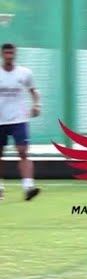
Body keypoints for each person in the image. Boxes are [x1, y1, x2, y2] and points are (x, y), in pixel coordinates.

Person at [0, 43, 41, 201]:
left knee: (23, 150)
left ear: (15, 54)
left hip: (19, 119)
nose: (9, 56)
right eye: (6, 53)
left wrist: (37, 104)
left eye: (11, 53)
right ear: (2, 55)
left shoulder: (24, 73)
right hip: (0, 120)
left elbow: (34, 90)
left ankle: (28, 187)